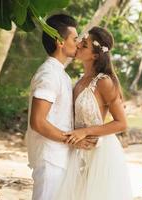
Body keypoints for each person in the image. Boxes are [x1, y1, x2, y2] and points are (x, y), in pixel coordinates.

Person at [55, 26, 133, 200]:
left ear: (95, 55)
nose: (78, 44)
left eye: (84, 44)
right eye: (81, 40)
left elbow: (121, 123)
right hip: (77, 151)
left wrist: (85, 132)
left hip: (101, 153)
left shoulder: (104, 82)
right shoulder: (79, 81)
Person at [25, 14, 97, 200]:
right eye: (74, 39)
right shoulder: (49, 74)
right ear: (60, 42)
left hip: (58, 156)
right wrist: (74, 140)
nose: (78, 43)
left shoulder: (61, 74)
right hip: (50, 157)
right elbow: (38, 122)